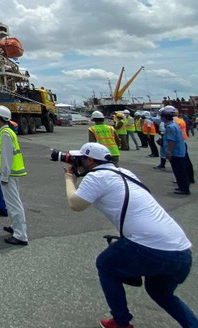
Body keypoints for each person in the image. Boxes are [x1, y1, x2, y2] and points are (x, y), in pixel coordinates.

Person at [64, 142, 197, 328]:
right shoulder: (126, 173)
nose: (77, 162)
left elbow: (75, 204)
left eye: (80, 159)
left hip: (151, 248)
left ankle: (121, 322)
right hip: (181, 251)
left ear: (90, 161)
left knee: (105, 264)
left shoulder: (96, 177)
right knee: (161, 294)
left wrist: (70, 179)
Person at [0, 105, 28, 246]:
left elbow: (7, 157)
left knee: (14, 204)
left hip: (9, 174)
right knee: (12, 202)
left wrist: (4, 176)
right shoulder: (7, 131)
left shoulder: (5, 134)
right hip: (12, 172)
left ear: (0, 118)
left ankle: (20, 235)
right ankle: (14, 226)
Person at [162, 106, 190, 195]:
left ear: (164, 117)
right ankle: (182, 187)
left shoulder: (170, 127)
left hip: (176, 152)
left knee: (179, 171)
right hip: (179, 151)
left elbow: (171, 141)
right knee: (180, 171)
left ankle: (184, 189)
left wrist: (169, 151)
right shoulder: (174, 125)